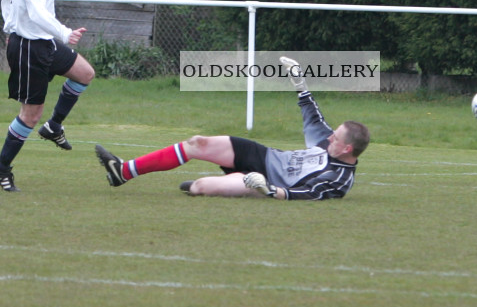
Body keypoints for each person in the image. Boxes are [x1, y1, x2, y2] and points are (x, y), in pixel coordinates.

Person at [95, 57, 369, 200]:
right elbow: (312, 116)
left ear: (347, 148)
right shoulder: (328, 143)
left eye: (336, 138)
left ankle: (222, 184)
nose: (330, 136)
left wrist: (269, 190)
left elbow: (308, 194)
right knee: (198, 142)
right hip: (263, 156)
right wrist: (299, 82)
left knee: (200, 188)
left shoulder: (338, 177)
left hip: (263, 183)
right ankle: (124, 171)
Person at [0, 0, 96, 192]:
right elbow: (36, 12)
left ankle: (54, 127)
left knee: (84, 73)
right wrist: (63, 32)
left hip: (43, 43)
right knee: (30, 115)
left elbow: (14, 4)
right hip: (29, 48)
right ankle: (1, 166)